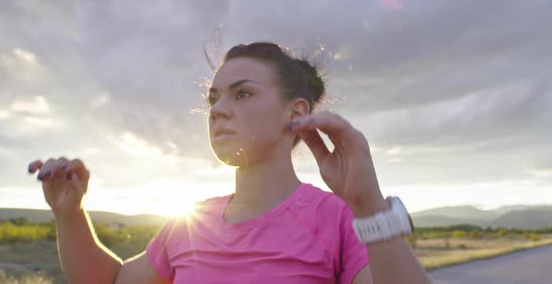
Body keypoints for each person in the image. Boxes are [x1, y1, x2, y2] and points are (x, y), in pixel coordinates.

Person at [28, 42, 431, 283]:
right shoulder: (189, 225)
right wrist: (70, 214)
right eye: (213, 98)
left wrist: (369, 207)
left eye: (242, 94)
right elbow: (110, 281)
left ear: (296, 113)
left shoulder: (341, 219)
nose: (217, 110)